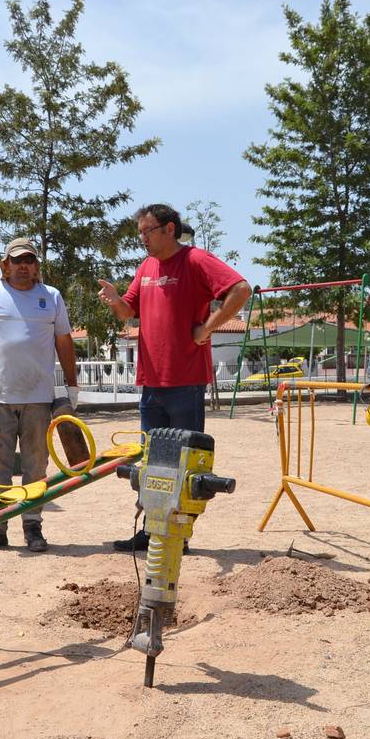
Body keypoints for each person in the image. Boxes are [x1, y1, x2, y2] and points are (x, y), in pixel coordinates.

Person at [97, 204, 251, 551]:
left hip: (185, 382)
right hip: (151, 383)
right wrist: (113, 299)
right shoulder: (147, 266)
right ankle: (151, 531)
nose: (142, 239)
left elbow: (241, 290)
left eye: (147, 231)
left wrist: (207, 329)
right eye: (140, 232)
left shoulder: (196, 260)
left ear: (169, 229)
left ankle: (176, 537)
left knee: (183, 463)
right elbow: (128, 311)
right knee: (152, 463)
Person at [0, 238, 80, 553]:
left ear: (37, 266)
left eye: (29, 260)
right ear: (5, 266)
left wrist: (71, 383)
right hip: (0, 396)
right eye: (17, 260)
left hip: (39, 398)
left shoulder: (50, 297)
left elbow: (64, 341)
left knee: (35, 466)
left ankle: (32, 527)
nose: (23, 266)